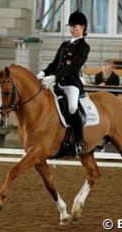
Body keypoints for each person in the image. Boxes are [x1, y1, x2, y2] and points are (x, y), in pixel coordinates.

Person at [36, 11, 90, 156]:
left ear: (83, 27)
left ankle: (78, 142)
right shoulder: (64, 44)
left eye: (74, 26)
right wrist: (43, 73)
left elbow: (73, 67)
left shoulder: (84, 47)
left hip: (71, 84)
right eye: (70, 26)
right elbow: (55, 64)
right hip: (57, 82)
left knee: (72, 107)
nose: (71, 29)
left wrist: (54, 77)